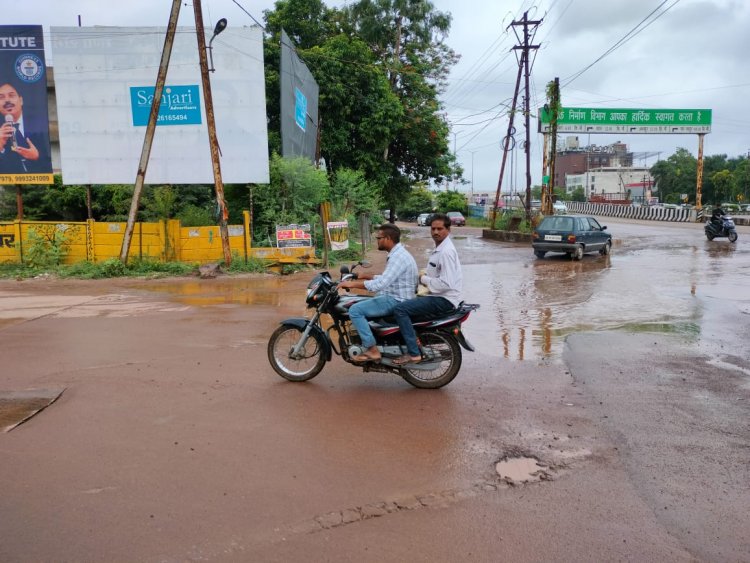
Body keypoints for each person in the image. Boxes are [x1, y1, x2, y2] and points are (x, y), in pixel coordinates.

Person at [338, 223, 418, 363]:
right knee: (364, 301)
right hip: (396, 296)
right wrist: (364, 276)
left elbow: (381, 284)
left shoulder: (398, 257)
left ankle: (372, 349)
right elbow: (388, 278)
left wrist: (352, 284)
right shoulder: (398, 253)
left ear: (388, 238)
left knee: (355, 310)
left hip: (396, 300)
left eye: (378, 238)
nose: (377, 241)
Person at [392, 213, 462, 365]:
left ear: (448, 230)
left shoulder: (446, 252)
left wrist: (423, 279)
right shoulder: (441, 248)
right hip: (439, 296)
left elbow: (445, 283)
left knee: (400, 310)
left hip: (444, 299)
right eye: (433, 229)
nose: (436, 232)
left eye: (440, 229)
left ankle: (413, 353)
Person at [0, 81, 52, 174]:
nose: (7, 100)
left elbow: (49, 161)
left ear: (21, 100)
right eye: (1, 97)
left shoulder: (39, 124)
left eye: (11, 95)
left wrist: (36, 156)